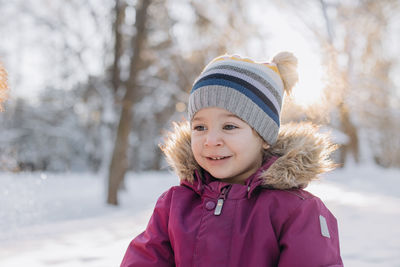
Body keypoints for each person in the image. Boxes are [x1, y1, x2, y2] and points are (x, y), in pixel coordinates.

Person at [121, 52, 343, 266]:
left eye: (229, 126)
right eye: (200, 127)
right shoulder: (174, 206)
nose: (211, 140)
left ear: (264, 136)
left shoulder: (297, 211)